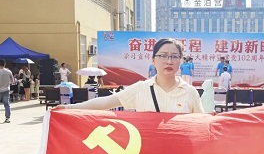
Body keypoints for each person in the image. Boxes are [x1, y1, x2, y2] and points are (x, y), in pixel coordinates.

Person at [60, 38, 204, 113]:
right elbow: (106, 102)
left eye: (174, 56)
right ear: (153, 60)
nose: (169, 61)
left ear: (180, 60)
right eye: (163, 55)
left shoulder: (190, 93)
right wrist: (68, 109)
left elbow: (203, 125)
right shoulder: (141, 89)